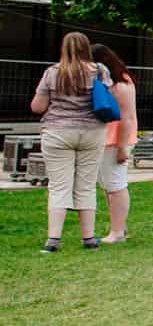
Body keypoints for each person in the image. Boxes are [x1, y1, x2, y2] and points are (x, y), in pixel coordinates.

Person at [33, 32, 113, 253]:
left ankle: (53, 239)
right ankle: (88, 237)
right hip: (92, 131)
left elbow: (37, 107)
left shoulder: (53, 73)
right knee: (86, 184)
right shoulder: (100, 70)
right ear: (86, 47)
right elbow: (106, 96)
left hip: (58, 131)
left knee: (59, 185)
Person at [91, 45, 139, 245]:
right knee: (109, 185)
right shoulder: (113, 82)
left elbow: (127, 118)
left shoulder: (121, 84)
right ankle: (119, 226)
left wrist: (121, 147)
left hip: (116, 140)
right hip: (108, 139)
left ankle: (117, 231)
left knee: (116, 185)